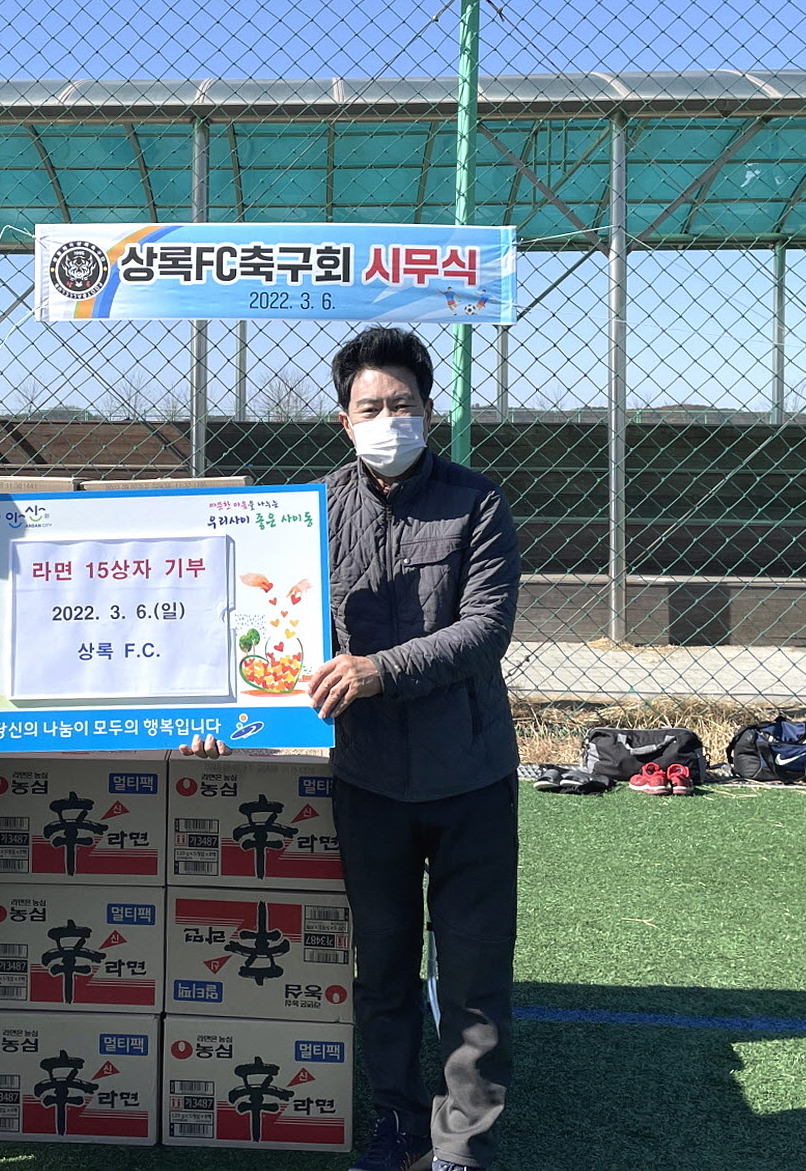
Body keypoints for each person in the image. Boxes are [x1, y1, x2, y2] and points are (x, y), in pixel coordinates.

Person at [305, 325, 521, 1171]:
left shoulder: (477, 502)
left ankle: (462, 1140)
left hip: (469, 774)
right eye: (370, 407)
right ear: (342, 419)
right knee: (383, 967)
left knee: (471, 973)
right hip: (366, 780)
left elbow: (486, 630)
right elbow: (271, 633)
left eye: (402, 404)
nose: (387, 418)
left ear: (429, 411)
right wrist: (235, 707)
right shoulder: (314, 509)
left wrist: (378, 671)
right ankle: (393, 1120)